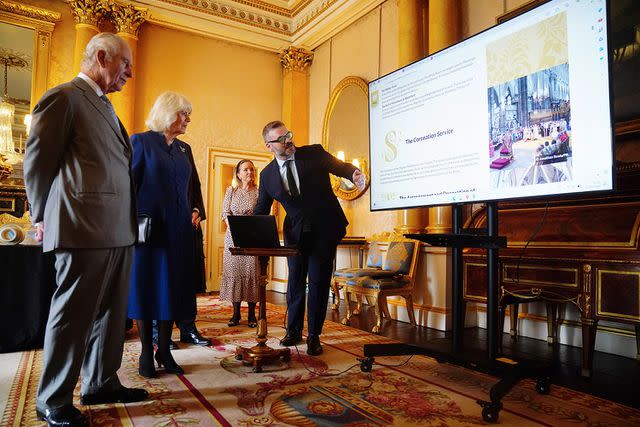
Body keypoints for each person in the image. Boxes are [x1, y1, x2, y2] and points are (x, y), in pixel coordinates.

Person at [24, 32, 148, 427]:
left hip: (117, 228)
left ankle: (100, 382)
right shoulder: (64, 97)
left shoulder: (105, 106)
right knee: (73, 316)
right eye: (125, 63)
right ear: (101, 56)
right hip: (80, 226)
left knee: (112, 315)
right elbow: (39, 162)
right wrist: (41, 216)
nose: (130, 71)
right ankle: (52, 399)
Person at [254, 121, 365, 356]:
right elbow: (261, 210)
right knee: (295, 283)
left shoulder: (313, 153)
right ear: (269, 146)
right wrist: (250, 231)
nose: (288, 141)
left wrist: (352, 173)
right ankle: (293, 331)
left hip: (324, 228)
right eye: (281, 139)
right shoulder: (267, 176)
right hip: (295, 233)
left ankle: (314, 335)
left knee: (317, 282)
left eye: (289, 135)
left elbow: (339, 166)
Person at [127, 91, 201, 378]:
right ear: (168, 113)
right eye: (184, 113)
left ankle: (164, 351)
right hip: (149, 232)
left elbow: (191, 187)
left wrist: (195, 208)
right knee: (147, 289)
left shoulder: (185, 149)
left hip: (179, 231)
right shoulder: (141, 142)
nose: (188, 119)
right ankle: (147, 351)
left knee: (173, 289)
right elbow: (128, 186)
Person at [220, 159, 260, 327]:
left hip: (252, 238)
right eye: (245, 170)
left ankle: (251, 315)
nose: (249, 172)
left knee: (251, 273)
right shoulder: (231, 191)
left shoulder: (259, 192)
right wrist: (235, 228)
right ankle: (236, 314)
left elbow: (262, 216)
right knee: (235, 272)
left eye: (251, 169)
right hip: (233, 238)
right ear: (238, 174)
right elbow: (225, 213)